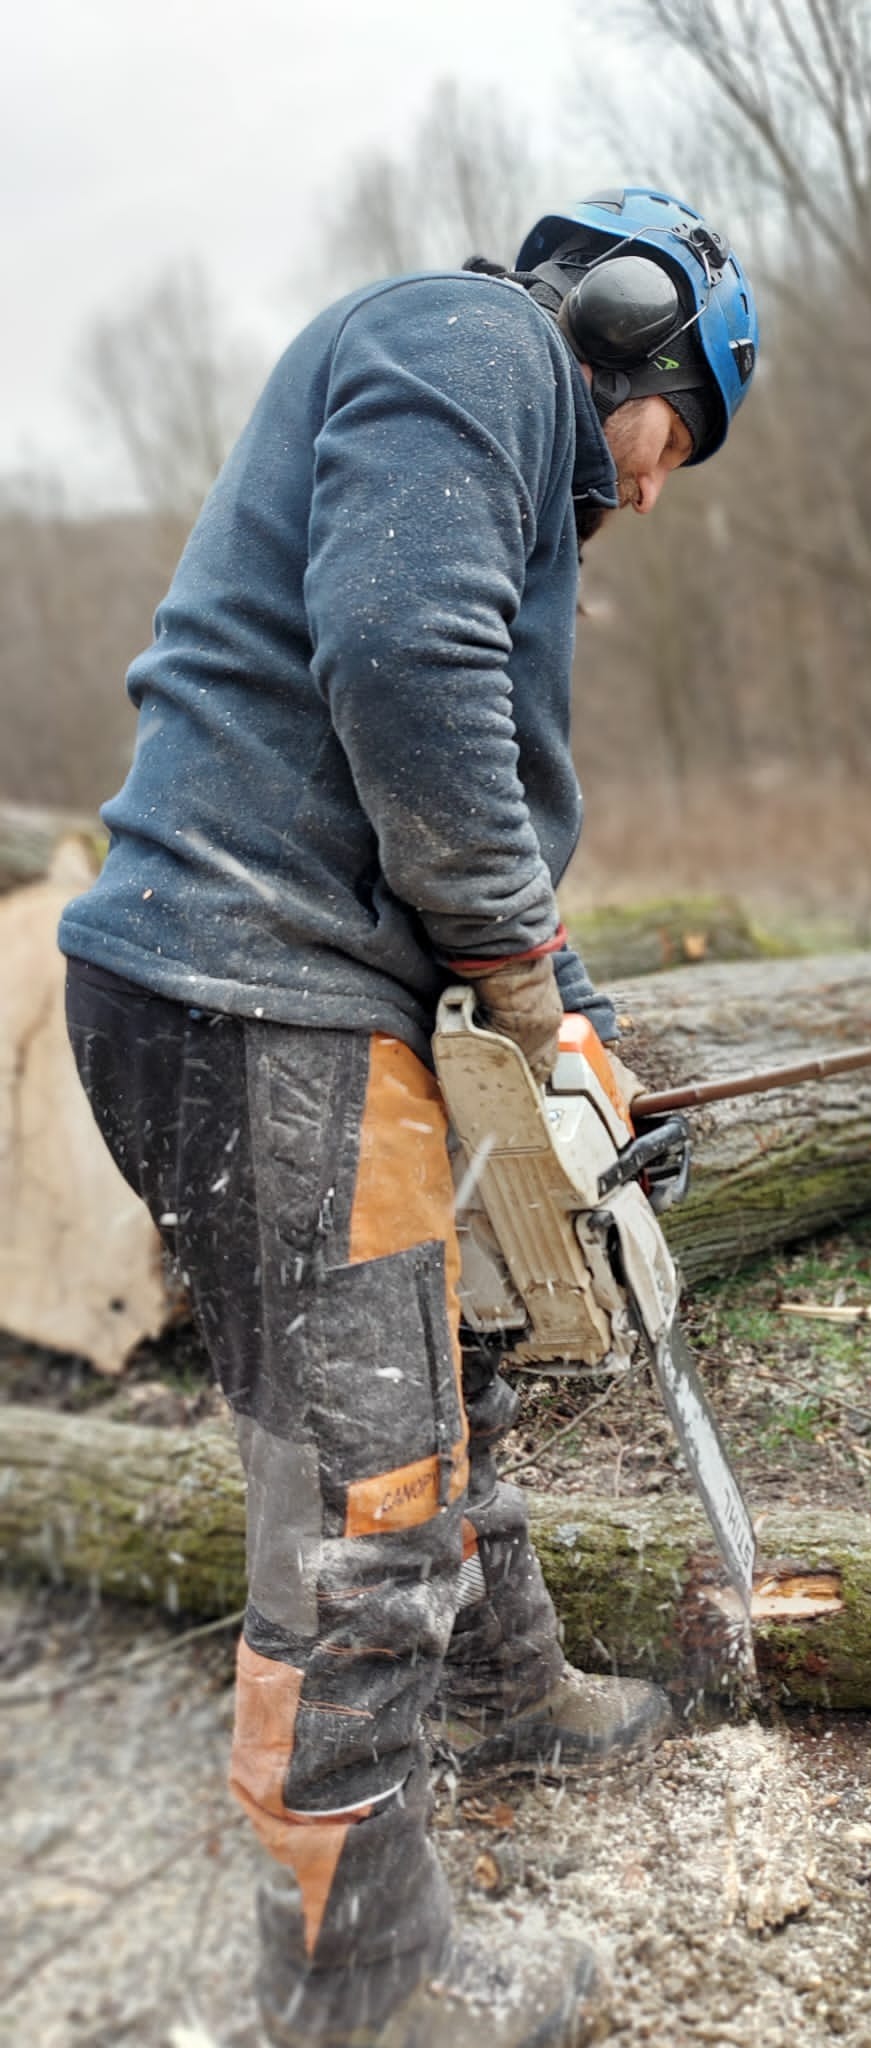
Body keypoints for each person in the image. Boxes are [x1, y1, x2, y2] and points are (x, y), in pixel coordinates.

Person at [58, 186, 759, 2048]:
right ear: (632, 324)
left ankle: (503, 1692)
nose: (660, 489)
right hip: (258, 995)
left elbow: (477, 800)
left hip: (294, 982)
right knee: (363, 1498)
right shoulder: (482, 348)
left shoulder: (490, 407)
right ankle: (357, 1978)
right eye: (675, 434)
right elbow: (400, 661)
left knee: (446, 1367)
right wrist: (523, 982)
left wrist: (581, 1027)